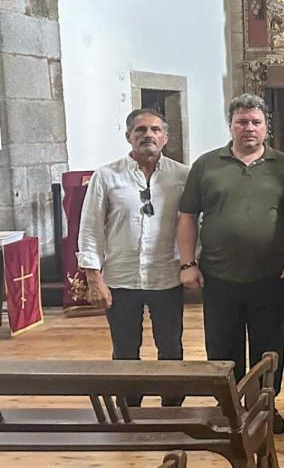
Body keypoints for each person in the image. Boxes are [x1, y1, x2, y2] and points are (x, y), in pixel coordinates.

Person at [177, 94, 284, 434]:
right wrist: (187, 262)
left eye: (255, 122)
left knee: (269, 348)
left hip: (270, 275)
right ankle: (229, 410)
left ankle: (264, 407)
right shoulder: (206, 165)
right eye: (242, 122)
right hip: (219, 276)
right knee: (222, 348)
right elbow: (188, 215)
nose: (249, 128)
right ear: (230, 125)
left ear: (266, 127)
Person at [78, 108, 189, 407]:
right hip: (121, 278)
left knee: (170, 346)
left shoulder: (182, 175)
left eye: (155, 130)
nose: (148, 135)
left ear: (165, 137)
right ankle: (130, 409)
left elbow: (193, 224)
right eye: (140, 130)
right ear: (128, 137)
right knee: (125, 348)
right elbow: (90, 228)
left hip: (166, 275)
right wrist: (93, 277)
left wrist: (192, 263)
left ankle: (172, 408)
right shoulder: (106, 176)